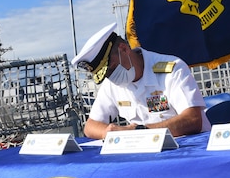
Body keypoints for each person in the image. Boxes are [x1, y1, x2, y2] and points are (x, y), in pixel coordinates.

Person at [71, 23, 210, 139]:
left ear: (124, 49)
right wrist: (108, 132)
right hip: (145, 155)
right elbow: (90, 127)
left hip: (189, 150)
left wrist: (140, 132)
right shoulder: (111, 84)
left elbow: (192, 119)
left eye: (112, 68)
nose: (112, 77)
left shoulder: (172, 69)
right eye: (106, 74)